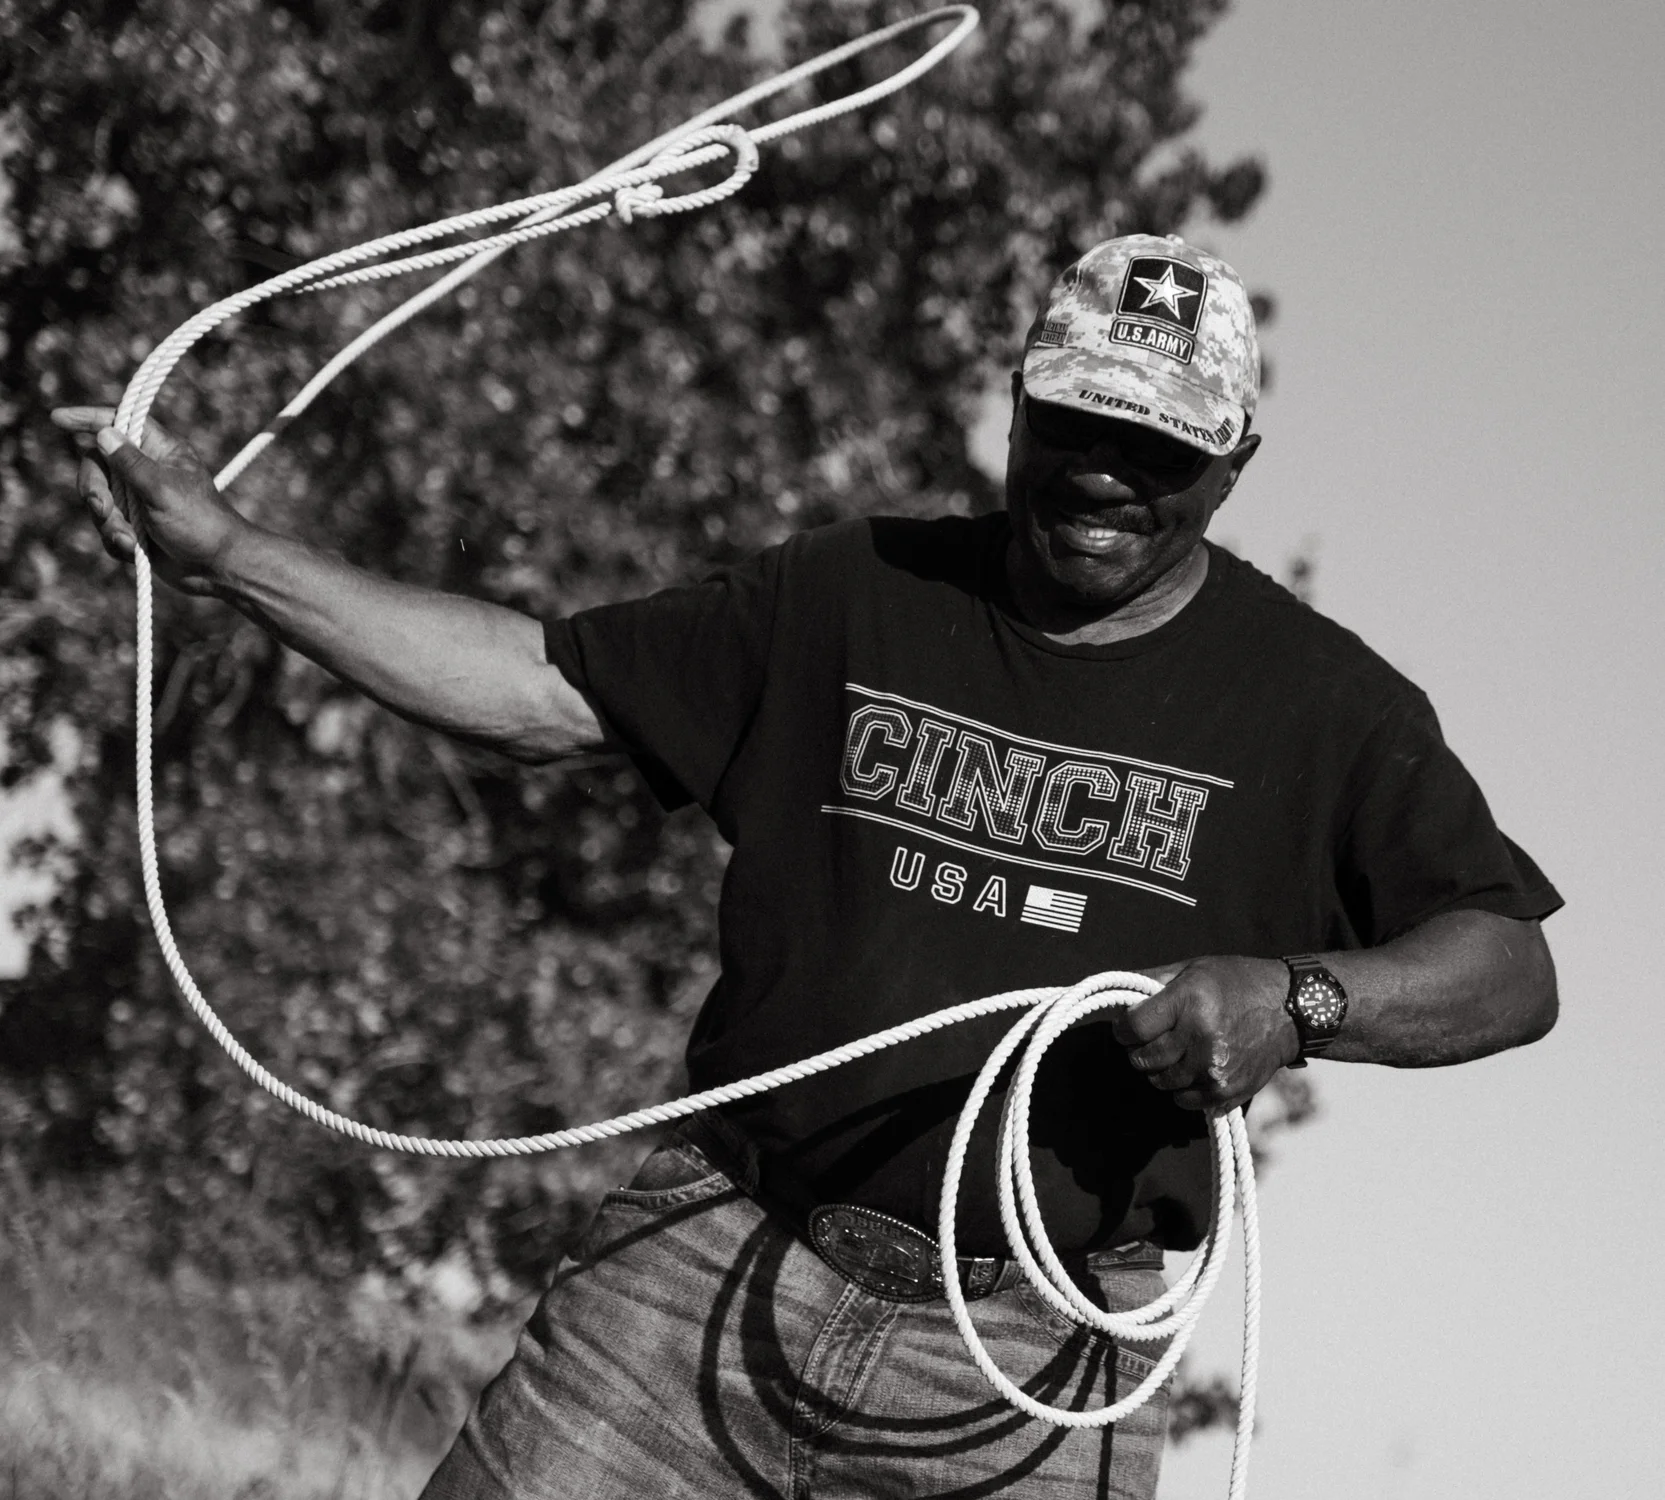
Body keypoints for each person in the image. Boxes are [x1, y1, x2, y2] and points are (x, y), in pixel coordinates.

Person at [55, 233, 1561, 1499]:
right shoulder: (856, 593)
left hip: (1032, 1374)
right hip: (702, 1269)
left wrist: (1293, 1001)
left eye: (1159, 446)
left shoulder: (1328, 709)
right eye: (1079, 424)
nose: (1108, 474)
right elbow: (543, 693)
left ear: (1232, 459)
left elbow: (1507, 963)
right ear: (1019, 409)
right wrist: (232, 558)